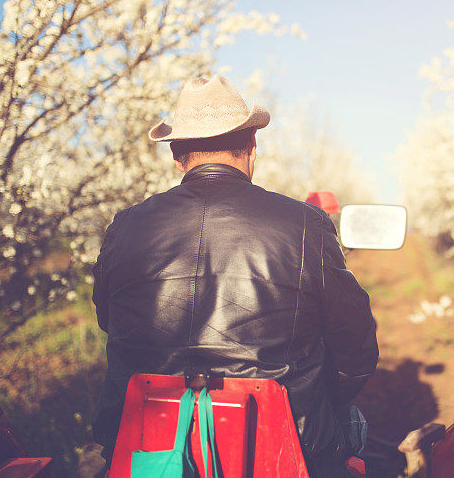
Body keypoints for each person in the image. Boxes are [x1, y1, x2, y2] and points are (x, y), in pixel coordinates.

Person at [90, 74, 378, 476]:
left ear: (176, 154)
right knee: (353, 423)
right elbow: (356, 348)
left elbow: (110, 323)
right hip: (285, 448)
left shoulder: (125, 227)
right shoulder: (306, 224)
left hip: (145, 449)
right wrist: (320, 400)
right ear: (252, 147)